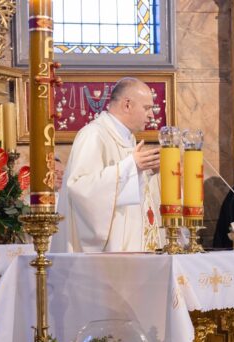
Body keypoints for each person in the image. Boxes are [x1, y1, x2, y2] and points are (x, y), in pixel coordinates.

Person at [52, 77, 162, 253]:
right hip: (103, 255)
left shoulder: (128, 139)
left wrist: (147, 172)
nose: (152, 115)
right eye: (147, 108)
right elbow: (79, 187)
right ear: (127, 105)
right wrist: (130, 167)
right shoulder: (94, 135)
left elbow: (130, 194)